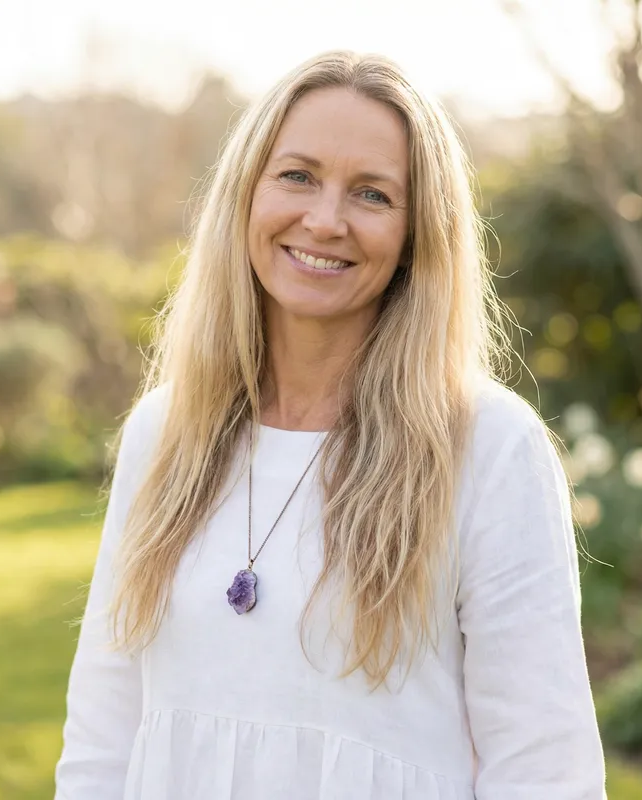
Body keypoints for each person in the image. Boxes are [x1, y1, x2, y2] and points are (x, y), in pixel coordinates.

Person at [54, 50, 607, 799]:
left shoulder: (487, 447)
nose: (324, 220)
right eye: (297, 176)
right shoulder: (165, 430)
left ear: (419, 235)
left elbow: (545, 768)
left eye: (373, 194)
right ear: (246, 194)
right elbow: (102, 731)